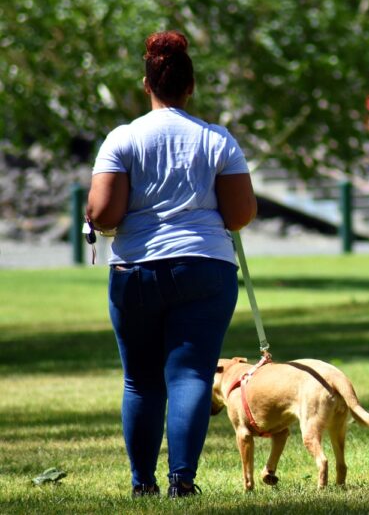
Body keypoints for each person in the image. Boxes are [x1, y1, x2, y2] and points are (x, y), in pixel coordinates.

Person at [86, 30, 257, 498]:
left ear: (147, 85)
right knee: (192, 374)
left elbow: (103, 217)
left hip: (136, 270)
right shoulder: (218, 140)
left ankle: (143, 484)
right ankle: (183, 480)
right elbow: (240, 215)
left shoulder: (122, 139)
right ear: (191, 86)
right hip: (205, 267)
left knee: (140, 380)